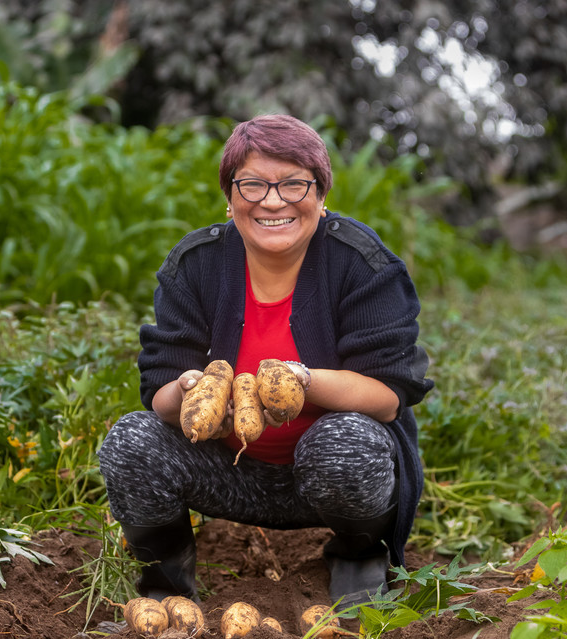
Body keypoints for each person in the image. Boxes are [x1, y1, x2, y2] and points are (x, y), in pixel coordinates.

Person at [97, 114, 433, 611]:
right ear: (230, 197)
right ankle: (165, 587)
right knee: (130, 440)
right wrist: (191, 391)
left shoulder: (361, 263)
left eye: (294, 184)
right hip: (227, 471)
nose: (272, 201)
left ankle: (360, 557)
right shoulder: (196, 264)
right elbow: (159, 389)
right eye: (252, 184)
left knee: (346, 444)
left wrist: (302, 380)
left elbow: (387, 397)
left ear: (321, 194)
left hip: (325, 471)